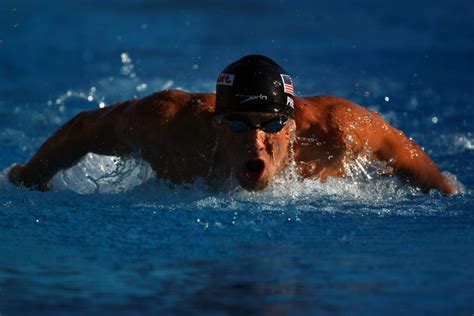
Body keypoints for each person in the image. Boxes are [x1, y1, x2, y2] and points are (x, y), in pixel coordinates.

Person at [8, 55, 456, 195]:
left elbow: (428, 177)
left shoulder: (338, 132)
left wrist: (450, 196)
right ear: (216, 123)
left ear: (292, 123)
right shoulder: (169, 127)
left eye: (270, 124)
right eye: (239, 126)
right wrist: (29, 179)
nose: (256, 142)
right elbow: (84, 129)